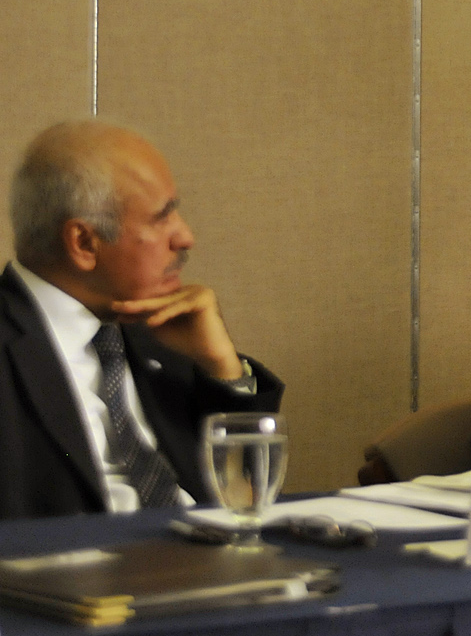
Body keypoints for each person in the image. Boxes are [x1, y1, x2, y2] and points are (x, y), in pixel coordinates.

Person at [0, 120, 283, 519]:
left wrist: (223, 370)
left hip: (209, 566)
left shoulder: (161, 333)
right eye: (161, 218)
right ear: (84, 243)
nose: (186, 237)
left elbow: (248, 498)